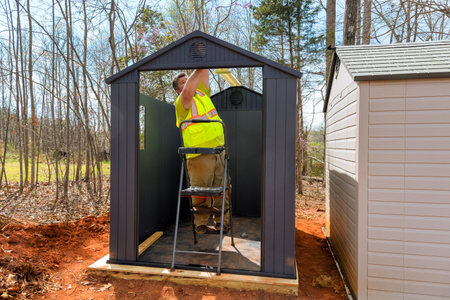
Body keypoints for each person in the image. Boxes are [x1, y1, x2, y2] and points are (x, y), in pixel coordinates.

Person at [173, 69, 230, 235]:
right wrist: (196, 70)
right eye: (183, 82)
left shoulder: (203, 94)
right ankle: (201, 225)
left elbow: (203, 74)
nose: (189, 81)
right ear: (178, 90)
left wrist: (202, 64)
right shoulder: (182, 101)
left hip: (219, 150)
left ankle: (222, 224)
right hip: (199, 154)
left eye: (188, 79)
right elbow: (189, 89)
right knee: (200, 190)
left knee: (224, 188)